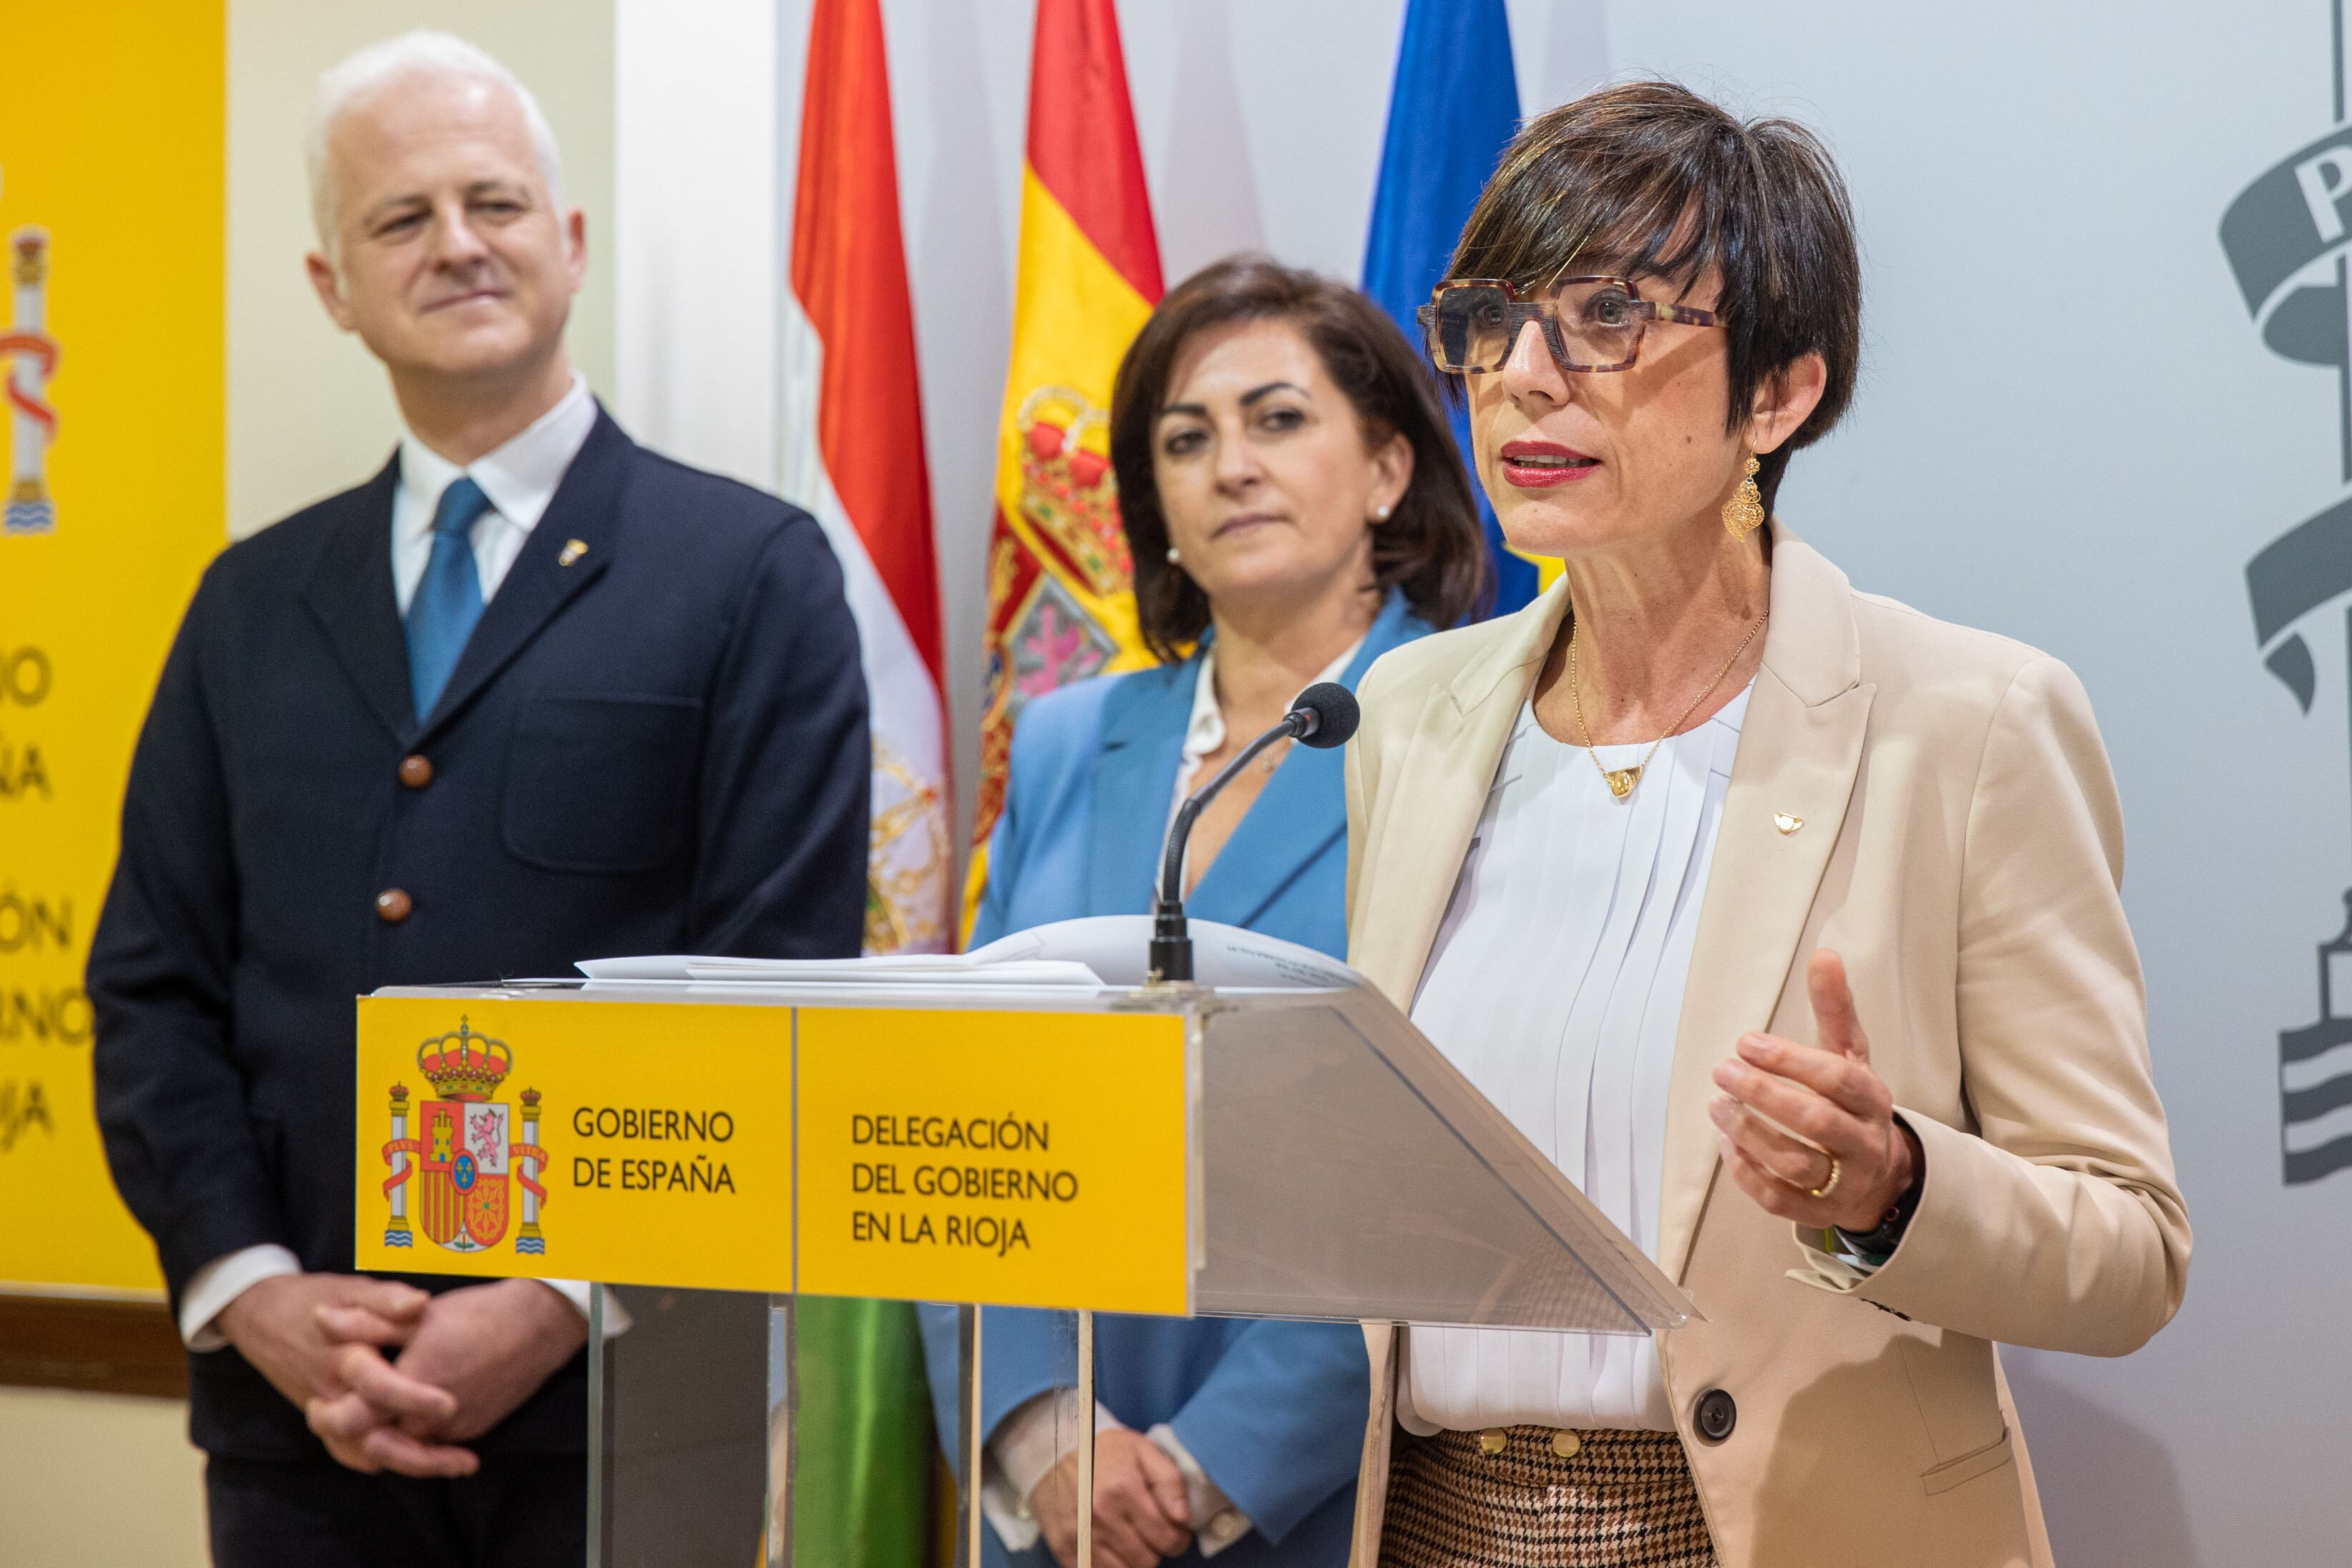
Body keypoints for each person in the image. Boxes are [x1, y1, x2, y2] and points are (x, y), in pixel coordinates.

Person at [1341, 83, 2191, 1568]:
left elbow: (2126, 1253)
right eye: (1487, 317)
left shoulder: (1967, 720)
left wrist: (1893, 1190)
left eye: (1605, 315)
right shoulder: (1406, 716)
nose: (1524, 377)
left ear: (1777, 394)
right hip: (1432, 1527)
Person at [87, 31, 868, 1568]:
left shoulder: (749, 576)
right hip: (297, 1419)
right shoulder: (247, 604)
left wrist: (557, 1296)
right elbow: (153, 988)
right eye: (398, 219)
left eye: (494, 203)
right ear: (332, 286)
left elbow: (778, 995)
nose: (455, 244)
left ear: (568, 246)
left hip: (626, 1413)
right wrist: (250, 1287)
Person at [920, 256, 1487, 1568]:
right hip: (1049, 1501)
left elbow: (1454, 1167)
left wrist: (1211, 1466)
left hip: (1323, 1497)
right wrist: (1042, 1429)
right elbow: (952, 1110)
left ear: (1388, 470)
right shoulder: (1064, 742)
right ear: (1155, 502)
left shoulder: (1477, 737)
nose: (1231, 463)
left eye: (1278, 419)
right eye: (1187, 438)